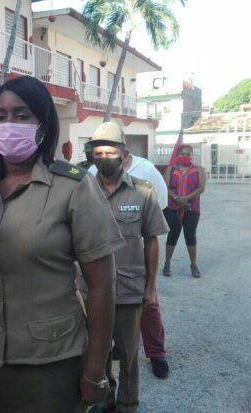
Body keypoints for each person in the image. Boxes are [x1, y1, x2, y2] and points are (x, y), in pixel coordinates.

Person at [0, 76, 126, 413]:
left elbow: (102, 285)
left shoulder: (74, 188)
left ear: (43, 126)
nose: (8, 124)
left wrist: (95, 370)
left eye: (22, 115)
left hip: (54, 363)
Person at [88, 122, 169, 413]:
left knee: (130, 355)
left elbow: (152, 240)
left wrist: (151, 287)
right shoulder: (81, 191)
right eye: (98, 152)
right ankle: (106, 396)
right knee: (97, 352)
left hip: (129, 289)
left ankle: (127, 404)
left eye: (110, 151)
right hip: (90, 292)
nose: (103, 157)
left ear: (124, 155)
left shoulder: (143, 192)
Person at [162, 144, 206, 278]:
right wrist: (176, 198)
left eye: (188, 154)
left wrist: (185, 199)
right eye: (182, 154)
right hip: (171, 207)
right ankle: (167, 264)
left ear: (192, 156)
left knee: (190, 236)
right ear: (177, 155)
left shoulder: (199, 170)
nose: (185, 156)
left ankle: (193, 265)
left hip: (192, 207)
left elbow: (201, 188)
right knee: (173, 234)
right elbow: (166, 187)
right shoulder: (171, 170)